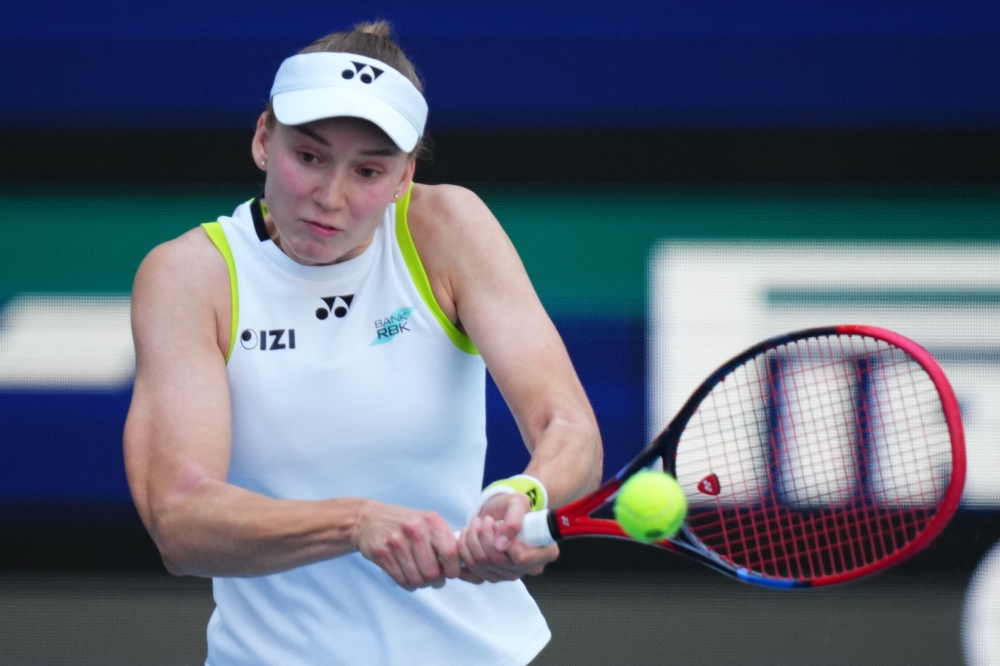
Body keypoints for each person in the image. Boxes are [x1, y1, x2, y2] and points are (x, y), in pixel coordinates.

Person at [124, 20, 602, 665]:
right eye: (309, 157)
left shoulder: (447, 228)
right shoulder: (190, 277)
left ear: (404, 176)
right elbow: (180, 521)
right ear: (264, 139)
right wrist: (356, 523)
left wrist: (523, 498)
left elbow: (567, 427)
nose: (330, 196)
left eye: (369, 170)